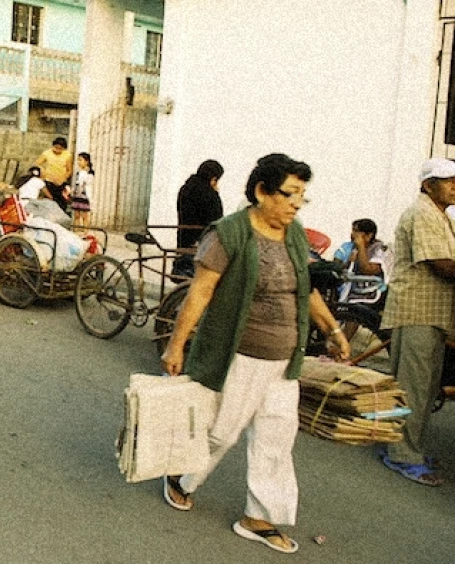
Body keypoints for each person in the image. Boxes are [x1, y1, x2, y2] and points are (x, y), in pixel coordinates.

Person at [160, 153, 350, 555]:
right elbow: (201, 292)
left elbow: (306, 290)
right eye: (289, 194)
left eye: (303, 196)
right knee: (221, 430)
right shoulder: (228, 233)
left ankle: (259, 517)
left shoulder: (295, 235)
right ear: (262, 191)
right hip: (239, 355)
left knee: (277, 438)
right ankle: (180, 476)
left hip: (285, 360)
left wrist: (331, 328)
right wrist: (176, 344)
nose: (297, 204)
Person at [379, 158, 455, 487]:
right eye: (447, 180)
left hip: (434, 313)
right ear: (428, 185)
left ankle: (409, 447)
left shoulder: (441, 216)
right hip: (418, 311)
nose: (454, 185)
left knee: (424, 387)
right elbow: (442, 265)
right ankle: (401, 454)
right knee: (412, 386)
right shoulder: (423, 212)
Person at [173, 160, 225, 278]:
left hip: (184, 239)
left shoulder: (185, 188)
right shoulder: (209, 194)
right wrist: (216, 194)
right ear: (213, 178)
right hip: (201, 243)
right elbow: (217, 218)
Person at [331, 218, 390, 307]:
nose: (352, 234)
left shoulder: (379, 250)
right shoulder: (347, 247)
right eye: (352, 230)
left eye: (356, 232)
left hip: (372, 291)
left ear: (368, 235)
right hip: (349, 290)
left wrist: (361, 246)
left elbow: (367, 269)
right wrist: (348, 262)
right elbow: (335, 266)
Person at [34, 136, 73, 210]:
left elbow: (69, 170)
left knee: (61, 203)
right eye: (55, 148)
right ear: (52, 146)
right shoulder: (47, 153)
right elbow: (37, 164)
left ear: (64, 148)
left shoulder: (67, 155)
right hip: (49, 181)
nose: (57, 150)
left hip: (61, 182)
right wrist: (43, 172)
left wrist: (62, 179)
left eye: (60, 149)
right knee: (49, 202)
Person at [71, 152, 94, 229]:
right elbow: (77, 184)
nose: (78, 162)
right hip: (77, 195)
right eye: (78, 160)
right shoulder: (79, 172)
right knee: (76, 215)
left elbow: (87, 183)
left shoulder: (90, 173)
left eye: (80, 160)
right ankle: (75, 230)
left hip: (84, 196)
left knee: (84, 215)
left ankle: (85, 231)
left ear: (86, 161)